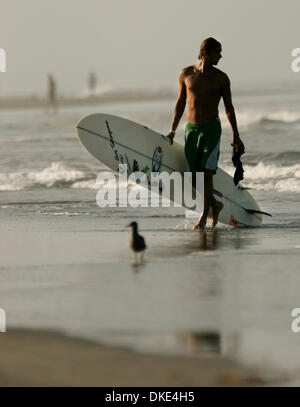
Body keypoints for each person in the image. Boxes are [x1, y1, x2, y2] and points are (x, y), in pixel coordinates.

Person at [166, 37, 244, 229]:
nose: (221, 56)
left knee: (206, 172)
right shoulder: (186, 74)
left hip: (211, 128)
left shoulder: (221, 78)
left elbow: (229, 108)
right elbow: (180, 103)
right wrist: (173, 130)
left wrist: (236, 134)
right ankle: (215, 206)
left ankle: (204, 215)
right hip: (191, 129)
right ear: (205, 53)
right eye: (218, 52)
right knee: (194, 176)